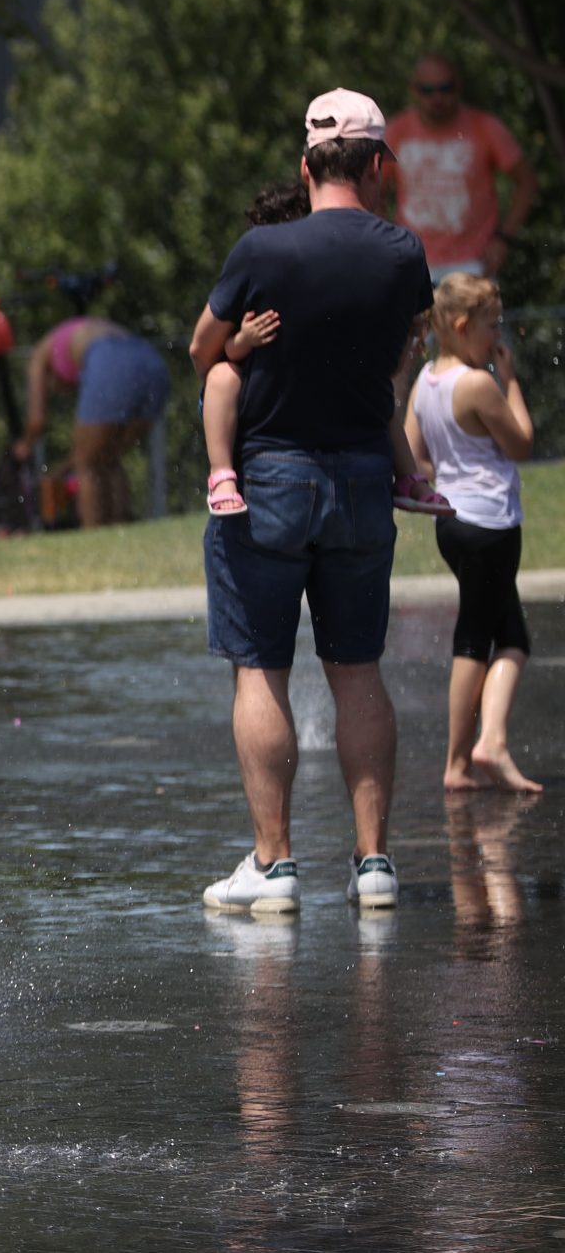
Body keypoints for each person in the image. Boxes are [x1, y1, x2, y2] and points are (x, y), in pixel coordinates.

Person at [191, 89, 433, 914]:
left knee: (261, 666)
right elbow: (410, 342)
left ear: (305, 166)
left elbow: (202, 350)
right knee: (357, 670)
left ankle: (275, 865)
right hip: (365, 476)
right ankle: (373, 866)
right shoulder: (403, 252)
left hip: (270, 477)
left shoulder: (264, 248)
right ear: (375, 166)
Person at [202, 182, 452, 519]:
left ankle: (409, 480)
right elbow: (219, 348)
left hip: (309, 422)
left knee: (378, 396)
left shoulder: (294, 270)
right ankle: (221, 476)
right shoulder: (263, 268)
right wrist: (243, 341)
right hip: (262, 399)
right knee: (220, 377)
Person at [403, 274, 541, 794]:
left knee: (511, 637)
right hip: (491, 523)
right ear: (462, 326)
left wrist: (453, 469)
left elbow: (417, 460)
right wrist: (511, 381)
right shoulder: (479, 384)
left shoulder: (425, 382)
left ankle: (490, 742)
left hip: (453, 524)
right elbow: (522, 443)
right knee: (476, 638)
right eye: (491, 326)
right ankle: (468, 756)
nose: (497, 336)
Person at [388, 53, 537, 281]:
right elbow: (371, 189)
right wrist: (388, 242)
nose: (437, 98)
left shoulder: (485, 127)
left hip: (473, 264)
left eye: (445, 88)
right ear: (414, 90)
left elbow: (526, 182)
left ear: (458, 87)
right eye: (427, 90)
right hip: (414, 262)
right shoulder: (396, 131)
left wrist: (504, 239)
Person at [14, 315, 171, 528]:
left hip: (111, 360)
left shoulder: (38, 357)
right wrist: (62, 469)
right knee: (108, 458)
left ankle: (92, 531)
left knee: (87, 466)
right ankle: (120, 529)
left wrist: (24, 446)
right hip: (153, 364)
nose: (61, 392)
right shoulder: (83, 332)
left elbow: (37, 421)